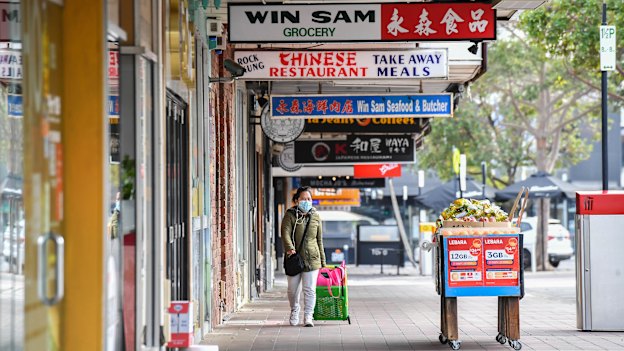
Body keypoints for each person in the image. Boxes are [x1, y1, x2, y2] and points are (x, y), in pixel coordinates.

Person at [281, 186, 325, 327]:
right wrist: (290, 249)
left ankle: (308, 317)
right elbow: (285, 232)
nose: (306, 201)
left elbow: (319, 240)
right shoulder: (290, 215)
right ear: (296, 200)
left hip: (312, 258)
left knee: (310, 289)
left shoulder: (316, 217)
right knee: (292, 290)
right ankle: (295, 309)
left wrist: (323, 262)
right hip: (294, 258)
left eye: (309, 199)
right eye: (303, 199)